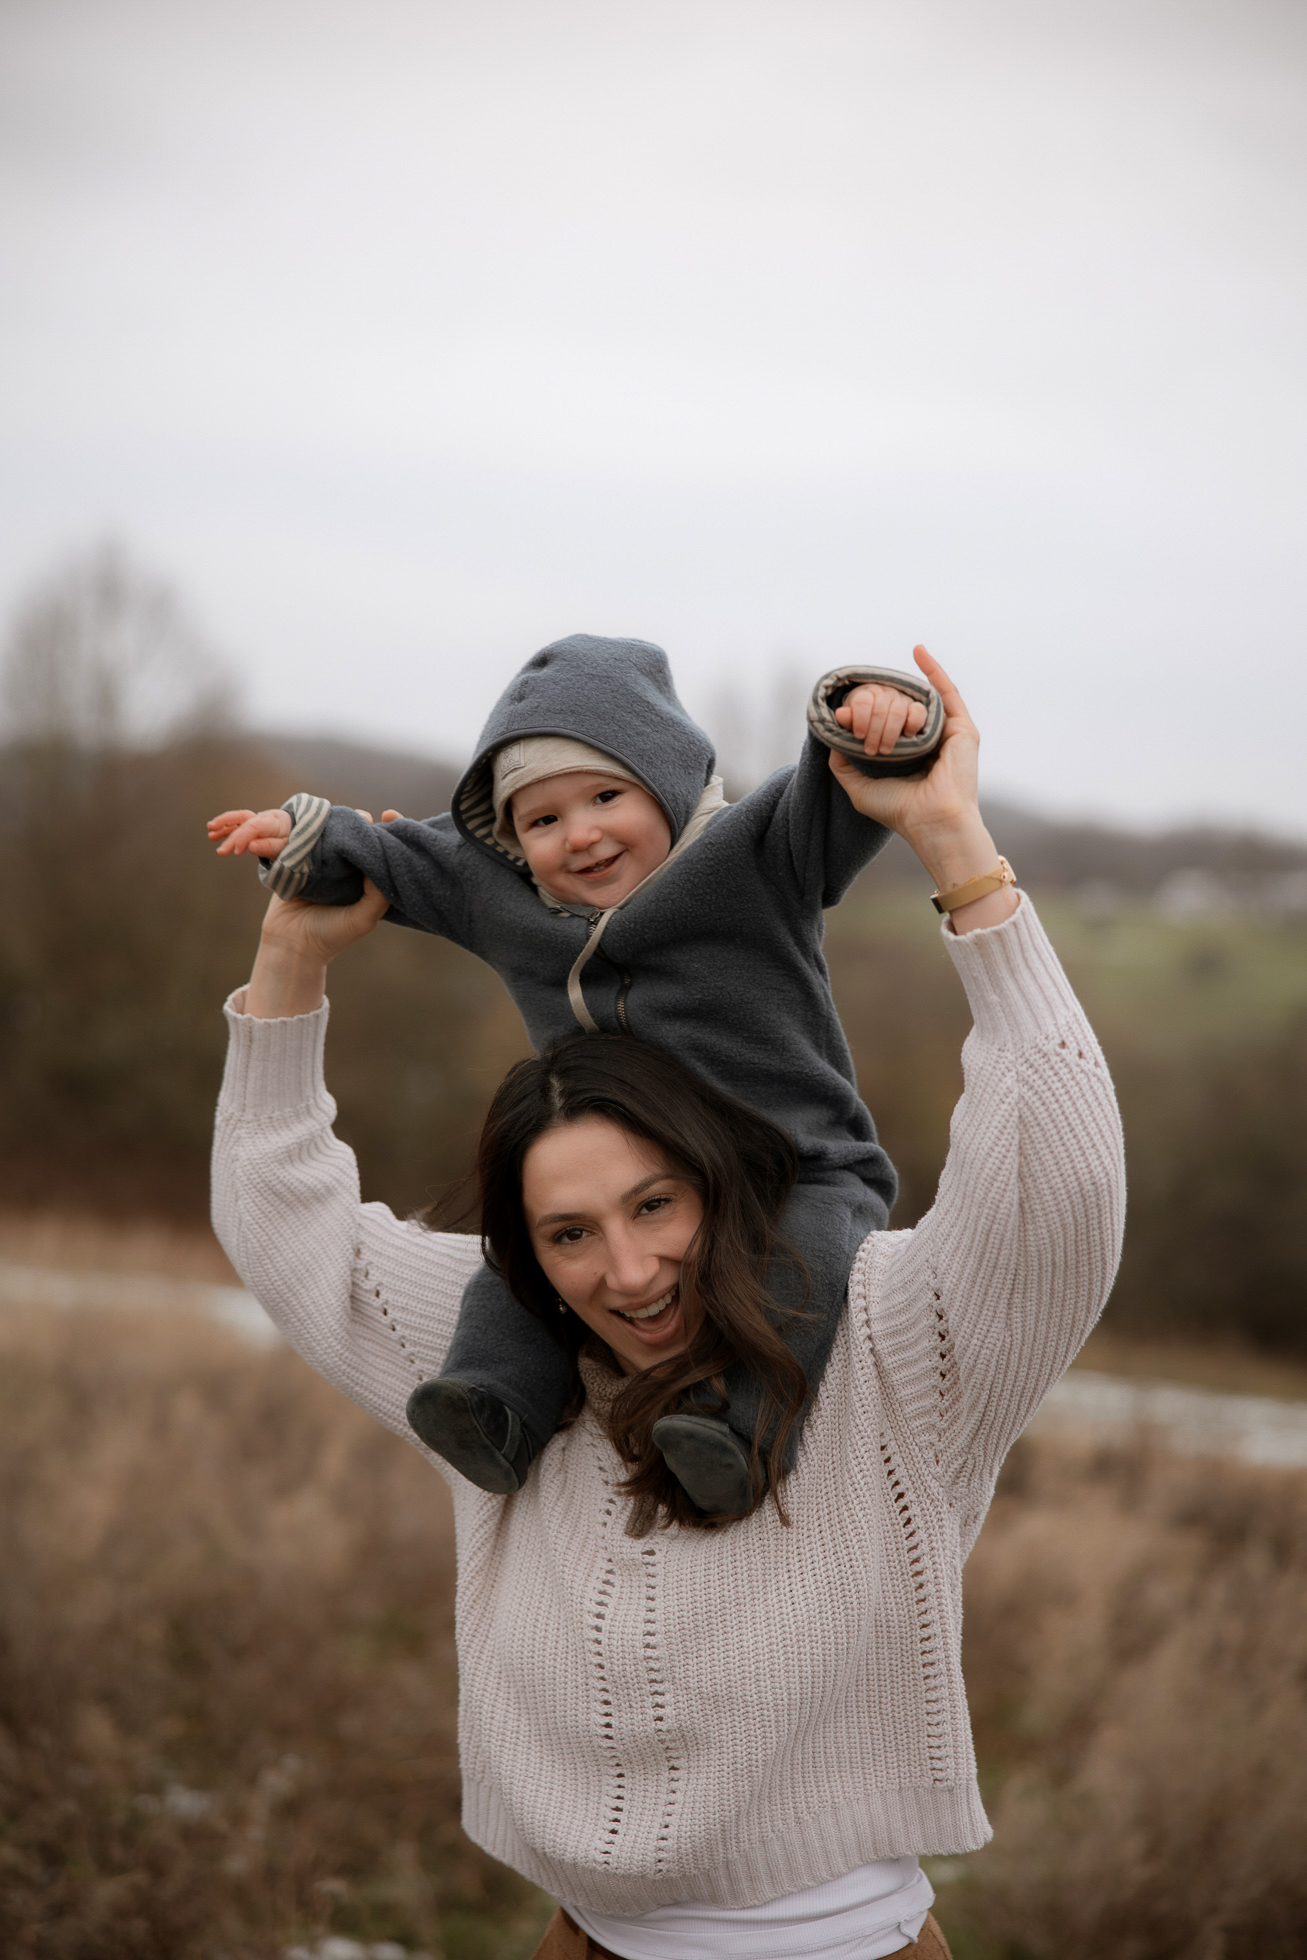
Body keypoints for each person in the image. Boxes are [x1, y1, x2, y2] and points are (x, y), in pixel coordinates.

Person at [212, 655, 1125, 1960]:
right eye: (565, 1233)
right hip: (581, 1944)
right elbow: (281, 1223)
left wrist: (950, 845)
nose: (624, 1274)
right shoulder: (517, 1341)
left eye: (656, 1209)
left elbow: (1057, 1187)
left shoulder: (887, 1345)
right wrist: (291, 949)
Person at [208, 634, 938, 1517]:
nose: (579, 835)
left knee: (797, 1268)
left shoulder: (752, 861)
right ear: (509, 838)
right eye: (541, 819)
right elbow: (391, 859)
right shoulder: (504, 898)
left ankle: (736, 1429)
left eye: (605, 796)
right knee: (530, 1259)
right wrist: (303, 844)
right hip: (614, 1182)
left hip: (799, 1164)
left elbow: (835, 786)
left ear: (667, 785)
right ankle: (494, 1406)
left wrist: (869, 712)